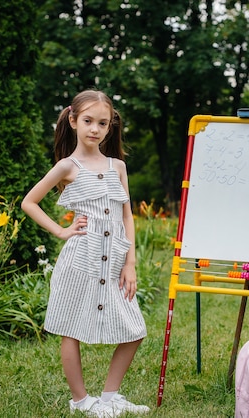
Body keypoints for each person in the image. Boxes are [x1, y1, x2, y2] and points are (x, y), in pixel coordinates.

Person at [21, 90, 149, 417]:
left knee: (135, 329)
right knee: (72, 327)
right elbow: (29, 202)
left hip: (116, 259)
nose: (95, 128)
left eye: (102, 123)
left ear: (110, 127)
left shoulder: (117, 166)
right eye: (88, 121)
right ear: (73, 120)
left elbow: (126, 215)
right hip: (81, 258)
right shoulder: (67, 166)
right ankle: (80, 400)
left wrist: (130, 262)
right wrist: (62, 231)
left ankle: (109, 397)